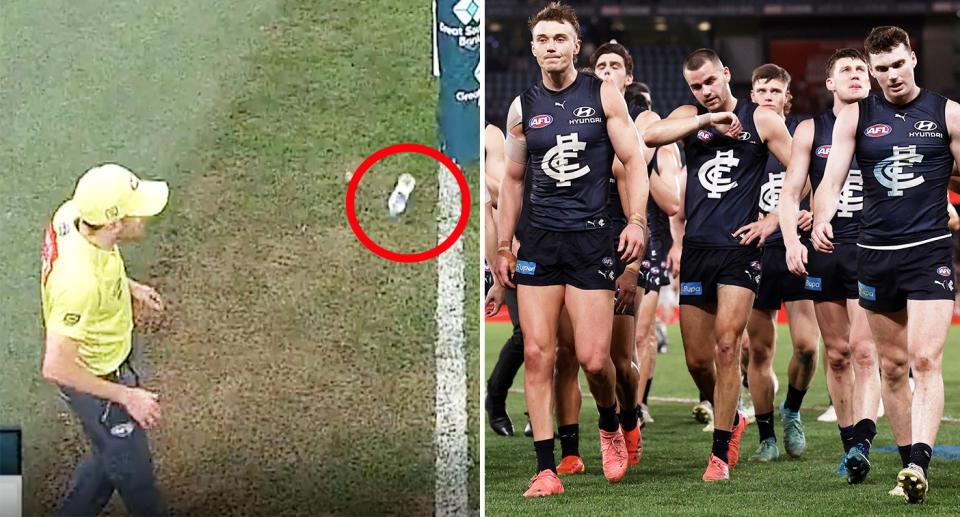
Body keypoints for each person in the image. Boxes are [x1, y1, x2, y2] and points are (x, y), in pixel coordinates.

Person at [494, 2, 649, 497]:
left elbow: (634, 160)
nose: (550, 46)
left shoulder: (603, 95)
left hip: (591, 240)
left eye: (560, 38)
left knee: (593, 359)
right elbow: (514, 181)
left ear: (575, 45)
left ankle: (609, 424)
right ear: (534, 46)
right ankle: (546, 470)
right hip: (540, 241)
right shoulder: (523, 106)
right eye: (542, 39)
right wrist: (503, 244)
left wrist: (638, 221)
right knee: (539, 354)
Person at [811, 26, 960, 504]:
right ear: (872, 73)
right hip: (873, 257)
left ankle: (920, 461)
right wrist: (822, 217)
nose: (891, 76)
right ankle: (906, 465)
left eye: (898, 64)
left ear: (912, 58)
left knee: (922, 359)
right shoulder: (855, 116)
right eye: (881, 69)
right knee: (891, 368)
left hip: (929, 252)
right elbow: (832, 180)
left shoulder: (947, 113)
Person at [644, 48, 794, 482]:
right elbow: (652, 136)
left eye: (710, 81)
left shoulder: (761, 118)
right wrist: (706, 120)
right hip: (696, 251)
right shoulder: (691, 116)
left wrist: (772, 220)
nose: (705, 91)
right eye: (696, 86)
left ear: (726, 74)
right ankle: (730, 412)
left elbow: (802, 170)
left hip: (740, 251)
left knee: (728, 346)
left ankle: (720, 452)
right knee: (696, 360)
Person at [779, 48, 889, 485]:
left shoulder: (887, 121)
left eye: (862, 69)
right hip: (826, 247)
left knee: (864, 350)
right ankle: (850, 448)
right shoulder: (811, 129)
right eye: (846, 69)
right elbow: (790, 194)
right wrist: (791, 240)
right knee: (839, 354)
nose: (857, 74)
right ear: (830, 84)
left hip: (873, 246)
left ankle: (863, 441)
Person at [41, 163, 170, 516]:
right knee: (137, 480)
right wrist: (126, 396)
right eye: (136, 211)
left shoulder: (74, 216)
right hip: (101, 383)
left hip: (115, 357)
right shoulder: (78, 285)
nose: (144, 215)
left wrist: (129, 287)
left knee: (109, 456)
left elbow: (99, 262)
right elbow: (55, 365)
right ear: (115, 225)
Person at [738, 63, 820, 463]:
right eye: (761, 90)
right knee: (759, 351)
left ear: (787, 98)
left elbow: (821, 180)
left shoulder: (802, 139)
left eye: (775, 90)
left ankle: (792, 410)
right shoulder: (744, 142)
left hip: (797, 249)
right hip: (757, 254)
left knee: (806, 347)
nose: (768, 96)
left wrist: (809, 213)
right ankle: (767, 436)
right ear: (752, 97)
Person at [483, 121, 525, 437]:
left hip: (512, 245)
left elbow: (500, 192)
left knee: (532, 336)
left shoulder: (490, 135)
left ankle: (496, 398)